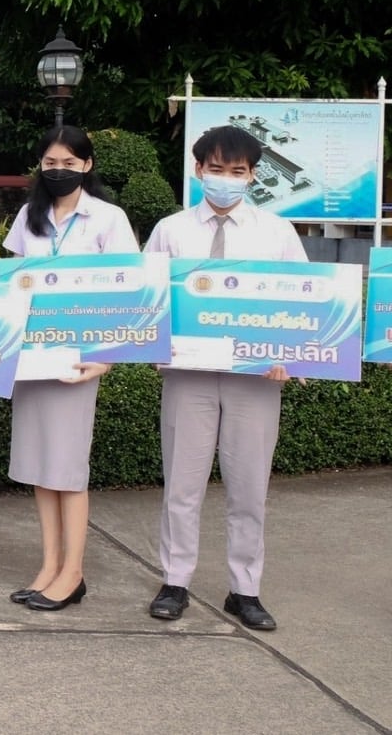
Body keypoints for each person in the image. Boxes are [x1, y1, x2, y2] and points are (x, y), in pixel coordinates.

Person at [143, 124, 306, 631]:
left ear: (253, 176)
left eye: (238, 172)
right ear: (198, 170)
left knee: (249, 486)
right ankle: (175, 580)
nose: (226, 179)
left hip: (254, 379)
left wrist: (290, 357)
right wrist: (151, 343)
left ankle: (245, 589)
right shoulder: (171, 229)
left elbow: (301, 300)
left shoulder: (276, 232)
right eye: (217, 169)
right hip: (187, 375)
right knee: (182, 485)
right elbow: (148, 298)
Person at [0, 126, 138, 611]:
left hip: (79, 361)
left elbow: (128, 291)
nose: (59, 171)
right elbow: (13, 281)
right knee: (41, 467)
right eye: (50, 162)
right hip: (33, 358)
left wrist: (106, 359)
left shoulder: (108, 218)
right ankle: (49, 564)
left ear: (87, 165)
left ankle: (73, 572)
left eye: (69, 162)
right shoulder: (27, 217)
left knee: (68, 470)